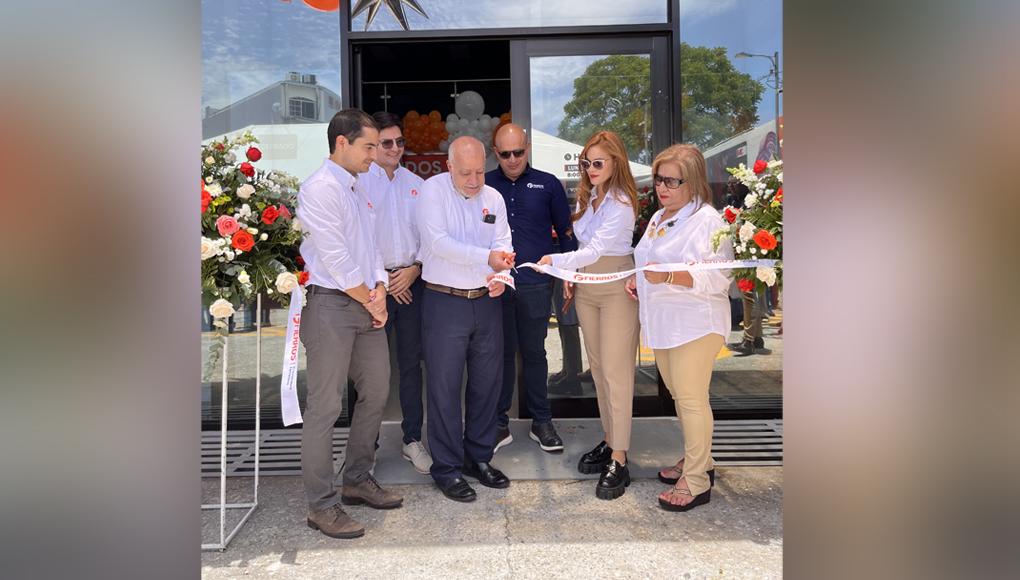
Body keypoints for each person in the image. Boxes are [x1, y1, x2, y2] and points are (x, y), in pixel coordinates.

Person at [297, 109, 402, 540]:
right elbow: (336, 257)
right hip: (332, 307)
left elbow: (369, 247)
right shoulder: (319, 189)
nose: (375, 154)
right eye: (369, 146)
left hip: (365, 302)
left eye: (378, 146)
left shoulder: (359, 187)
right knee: (324, 408)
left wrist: (379, 287)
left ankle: (357, 479)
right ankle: (321, 506)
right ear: (342, 142)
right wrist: (371, 299)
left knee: (376, 391)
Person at [626, 144, 733, 512]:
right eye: (659, 179)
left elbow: (721, 276)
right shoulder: (659, 218)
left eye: (672, 180)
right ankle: (699, 460)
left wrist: (669, 275)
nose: (662, 187)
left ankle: (697, 480)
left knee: (690, 398)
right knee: (678, 394)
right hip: (664, 323)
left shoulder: (709, 221)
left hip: (696, 323)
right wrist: (639, 280)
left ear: (694, 182)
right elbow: (648, 261)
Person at [538, 130, 639, 500]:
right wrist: (573, 275)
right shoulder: (591, 196)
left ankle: (620, 457)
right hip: (588, 286)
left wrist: (558, 263)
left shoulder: (623, 201)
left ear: (616, 163)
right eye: (587, 163)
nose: (591, 169)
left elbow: (595, 250)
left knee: (617, 373)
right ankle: (612, 440)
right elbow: (584, 248)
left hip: (615, 286)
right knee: (598, 371)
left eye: (598, 162)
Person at [416, 136, 516, 502]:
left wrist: (502, 276)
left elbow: (503, 241)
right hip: (445, 302)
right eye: (466, 173)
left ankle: (479, 457)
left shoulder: (494, 198)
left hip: (486, 302)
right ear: (448, 166)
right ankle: (446, 468)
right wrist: (486, 258)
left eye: (479, 172)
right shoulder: (432, 193)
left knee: (487, 384)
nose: (474, 180)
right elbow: (439, 243)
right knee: (444, 387)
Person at [485, 123, 576, 454]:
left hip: (536, 284)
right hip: (495, 285)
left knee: (535, 353)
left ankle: (541, 421)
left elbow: (566, 234)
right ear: (495, 152)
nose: (512, 159)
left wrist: (568, 275)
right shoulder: (484, 184)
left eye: (518, 152)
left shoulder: (548, 184)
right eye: (504, 153)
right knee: (500, 355)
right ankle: (498, 424)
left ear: (528, 149)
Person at [358, 111, 432, 475]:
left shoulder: (417, 184)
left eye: (400, 142)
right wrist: (384, 284)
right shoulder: (360, 183)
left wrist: (415, 269)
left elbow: (429, 237)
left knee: (411, 366)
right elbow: (357, 240)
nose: (395, 149)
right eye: (386, 143)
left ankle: (412, 439)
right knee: (372, 372)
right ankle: (365, 448)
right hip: (373, 290)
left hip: (411, 286)